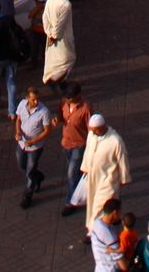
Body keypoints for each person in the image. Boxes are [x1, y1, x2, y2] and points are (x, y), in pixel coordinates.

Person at [74, 113, 131, 233]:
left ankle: (92, 231)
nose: (93, 132)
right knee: (93, 203)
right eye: (92, 130)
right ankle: (111, 220)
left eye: (95, 130)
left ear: (101, 127)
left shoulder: (115, 140)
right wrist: (85, 167)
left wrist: (124, 178)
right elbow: (88, 151)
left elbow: (122, 159)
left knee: (99, 205)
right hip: (93, 178)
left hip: (108, 180)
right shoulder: (91, 135)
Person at [13, 84, 54, 207]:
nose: (36, 102)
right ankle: (39, 176)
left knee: (29, 171)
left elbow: (47, 131)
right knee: (21, 164)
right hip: (22, 143)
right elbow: (18, 119)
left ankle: (27, 196)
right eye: (33, 99)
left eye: (37, 99)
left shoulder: (44, 112)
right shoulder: (21, 105)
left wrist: (33, 141)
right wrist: (18, 132)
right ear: (27, 98)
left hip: (35, 147)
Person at [57, 83, 93, 216]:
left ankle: (70, 202)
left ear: (78, 96)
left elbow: (91, 129)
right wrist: (57, 119)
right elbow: (60, 114)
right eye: (66, 97)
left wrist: (91, 147)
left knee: (71, 174)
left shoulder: (85, 108)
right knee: (75, 173)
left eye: (70, 98)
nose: (68, 100)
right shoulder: (64, 103)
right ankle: (83, 192)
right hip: (66, 143)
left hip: (79, 145)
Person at [42, 0, 76, 82]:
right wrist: (54, 36)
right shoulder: (66, 4)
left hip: (51, 35)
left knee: (52, 60)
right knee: (68, 59)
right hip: (61, 38)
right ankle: (57, 81)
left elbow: (45, 17)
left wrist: (49, 32)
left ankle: (52, 78)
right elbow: (60, 24)